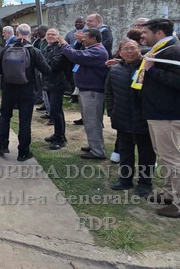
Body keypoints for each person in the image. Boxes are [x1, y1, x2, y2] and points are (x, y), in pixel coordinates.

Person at [137, 18, 180, 218]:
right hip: (159, 113)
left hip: (168, 115)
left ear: (159, 33)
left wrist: (152, 69)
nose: (142, 36)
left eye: (145, 32)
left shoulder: (174, 51)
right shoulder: (164, 49)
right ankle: (169, 193)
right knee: (166, 156)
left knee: (172, 158)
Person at [0, 24, 51, 161]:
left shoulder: (7, 49)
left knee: (5, 116)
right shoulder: (34, 51)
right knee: (24, 120)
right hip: (27, 89)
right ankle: (23, 152)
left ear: (16, 33)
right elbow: (47, 70)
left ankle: (3, 146)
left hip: (8, 89)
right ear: (29, 34)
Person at [105, 40, 155, 197]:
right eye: (125, 49)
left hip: (143, 119)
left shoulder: (147, 68)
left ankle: (145, 183)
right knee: (125, 152)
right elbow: (109, 93)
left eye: (133, 48)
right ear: (120, 52)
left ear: (139, 50)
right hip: (122, 117)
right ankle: (125, 179)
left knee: (146, 153)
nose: (129, 51)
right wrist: (112, 111)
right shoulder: (114, 70)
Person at [57, 29, 109, 159]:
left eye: (85, 37)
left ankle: (98, 151)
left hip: (92, 92)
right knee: (88, 120)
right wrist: (78, 43)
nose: (82, 39)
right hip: (87, 90)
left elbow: (76, 56)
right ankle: (94, 145)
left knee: (92, 121)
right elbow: (77, 53)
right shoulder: (91, 49)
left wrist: (64, 43)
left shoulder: (98, 51)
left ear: (94, 39)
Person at [43, 29, 69, 149]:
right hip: (49, 83)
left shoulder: (59, 48)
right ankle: (58, 134)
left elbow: (54, 65)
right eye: (48, 34)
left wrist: (40, 60)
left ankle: (60, 138)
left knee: (56, 110)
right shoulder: (47, 47)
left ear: (58, 36)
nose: (50, 36)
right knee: (55, 111)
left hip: (57, 83)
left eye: (53, 34)